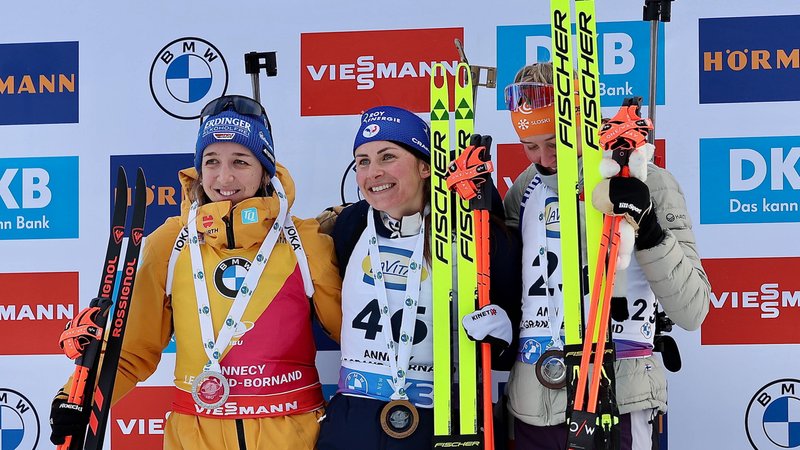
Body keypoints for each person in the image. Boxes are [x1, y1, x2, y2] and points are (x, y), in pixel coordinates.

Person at [49, 95, 342, 450]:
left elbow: (354, 339)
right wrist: (76, 398)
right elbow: (130, 352)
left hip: (292, 436)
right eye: (212, 161)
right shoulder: (171, 243)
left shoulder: (303, 241)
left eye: (240, 161)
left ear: (265, 169)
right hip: (196, 437)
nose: (224, 176)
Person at [501, 63, 711, 450]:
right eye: (530, 146)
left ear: (582, 119)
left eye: (554, 143)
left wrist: (648, 228)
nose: (544, 159)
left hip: (620, 396)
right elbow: (506, 284)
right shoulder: (525, 188)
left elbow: (693, 309)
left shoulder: (648, 180)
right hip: (534, 403)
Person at [315, 105, 521, 450]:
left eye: (387, 157)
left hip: (446, 419)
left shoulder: (474, 230)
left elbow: (508, 344)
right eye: (363, 161)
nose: (373, 172)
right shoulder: (350, 225)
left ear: (425, 166)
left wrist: (501, 332)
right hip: (356, 422)